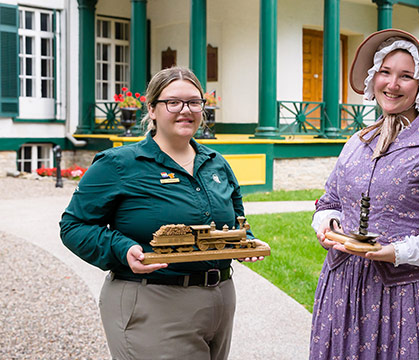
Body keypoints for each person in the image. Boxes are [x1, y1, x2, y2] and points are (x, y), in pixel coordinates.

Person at [60, 66, 265, 360]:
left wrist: (246, 243)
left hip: (219, 299)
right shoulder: (119, 164)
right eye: (173, 102)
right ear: (152, 109)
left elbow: (234, 220)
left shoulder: (216, 163)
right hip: (153, 300)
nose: (186, 110)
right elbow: (73, 225)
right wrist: (122, 248)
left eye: (195, 102)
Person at [310, 29, 419, 359]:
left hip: (417, 297)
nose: (392, 85)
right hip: (347, 292)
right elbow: (331, 199)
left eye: (406, 76)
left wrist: (397, 251)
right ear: (372, 78)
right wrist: (329, 226)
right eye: (385, 72)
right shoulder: (357, 143)